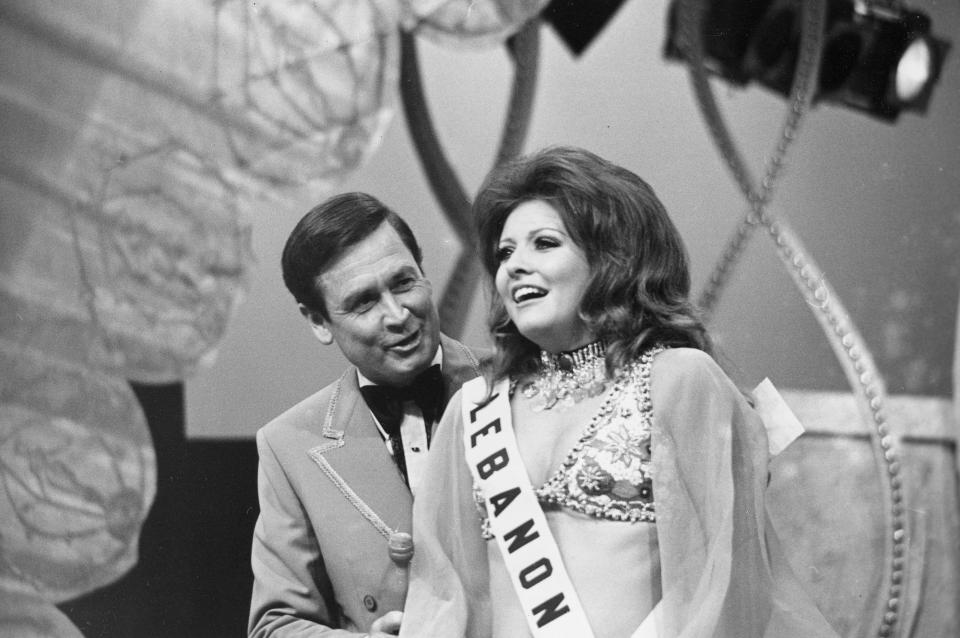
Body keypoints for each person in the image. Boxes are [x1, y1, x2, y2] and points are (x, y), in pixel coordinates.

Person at [398, 146, 839, 637]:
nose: (515, 265)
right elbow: (446, 595)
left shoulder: (679, 379)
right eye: (505, 252)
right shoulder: (474, 409)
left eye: (544, 243)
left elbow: (725, 584)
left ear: (613, 260)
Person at [249, 192, 485, 637]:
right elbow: (274, 627)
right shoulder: (288, 445)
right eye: (363, 302)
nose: (397, 315)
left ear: (425, 273)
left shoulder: (518, 386)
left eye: (403, 283)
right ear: (318, 322)